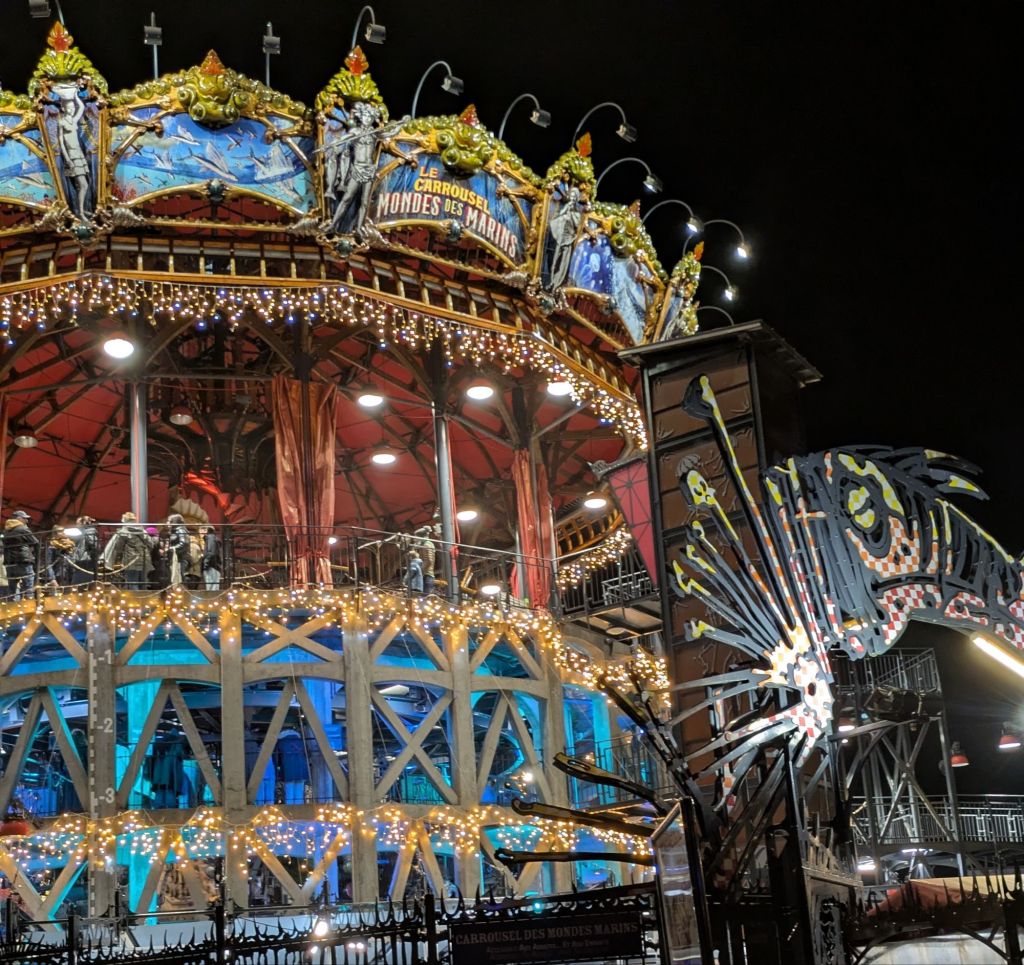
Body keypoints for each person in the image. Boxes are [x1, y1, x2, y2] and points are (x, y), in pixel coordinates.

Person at [101, 512, 155, 590]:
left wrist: (118, 558)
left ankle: (135, 597)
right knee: (143, 582)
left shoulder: (123, 531)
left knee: (132, 582)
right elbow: (151, 544)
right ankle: (144, 597)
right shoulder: (142, 530)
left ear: (124, 520)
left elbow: (119, 547)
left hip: (131, 560)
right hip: (144, 558)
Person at [1, 510, 39, 601]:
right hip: (23, 561)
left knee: (12, 590)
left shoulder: (6, 530)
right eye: (25, 518)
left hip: (9, 562)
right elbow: (35, 542)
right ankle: (29, 605)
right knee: (28, 587)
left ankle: (12, 607)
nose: (27, 521)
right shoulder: (22, 528)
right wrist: (35, 557)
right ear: (19, 518)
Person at [68, 515, 99, 585]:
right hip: (83, 561)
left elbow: (94, 546)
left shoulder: (89, 532)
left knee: (79, 584)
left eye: (78, 524)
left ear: (84, 523)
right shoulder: (85, 533)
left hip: (85, 562)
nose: (76, 526)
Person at [165, 513, 191, 587]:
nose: (167, 523)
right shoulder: (175, 531)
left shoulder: (180, 530)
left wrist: (171, 548)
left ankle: (182, 591)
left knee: (179, 576)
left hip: (180, 558)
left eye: (169, 521)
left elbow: (183, 543)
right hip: (176, 557)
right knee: (176, 576)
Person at [198, 525, 222, 591]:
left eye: (200, 532)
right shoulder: (213, 538)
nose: (200, 534)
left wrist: (206, 563)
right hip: (214, 566)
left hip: (211, 566)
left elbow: (211, 552)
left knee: (211, 589)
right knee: (214, 588)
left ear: (205, 530)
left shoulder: (210, 538)